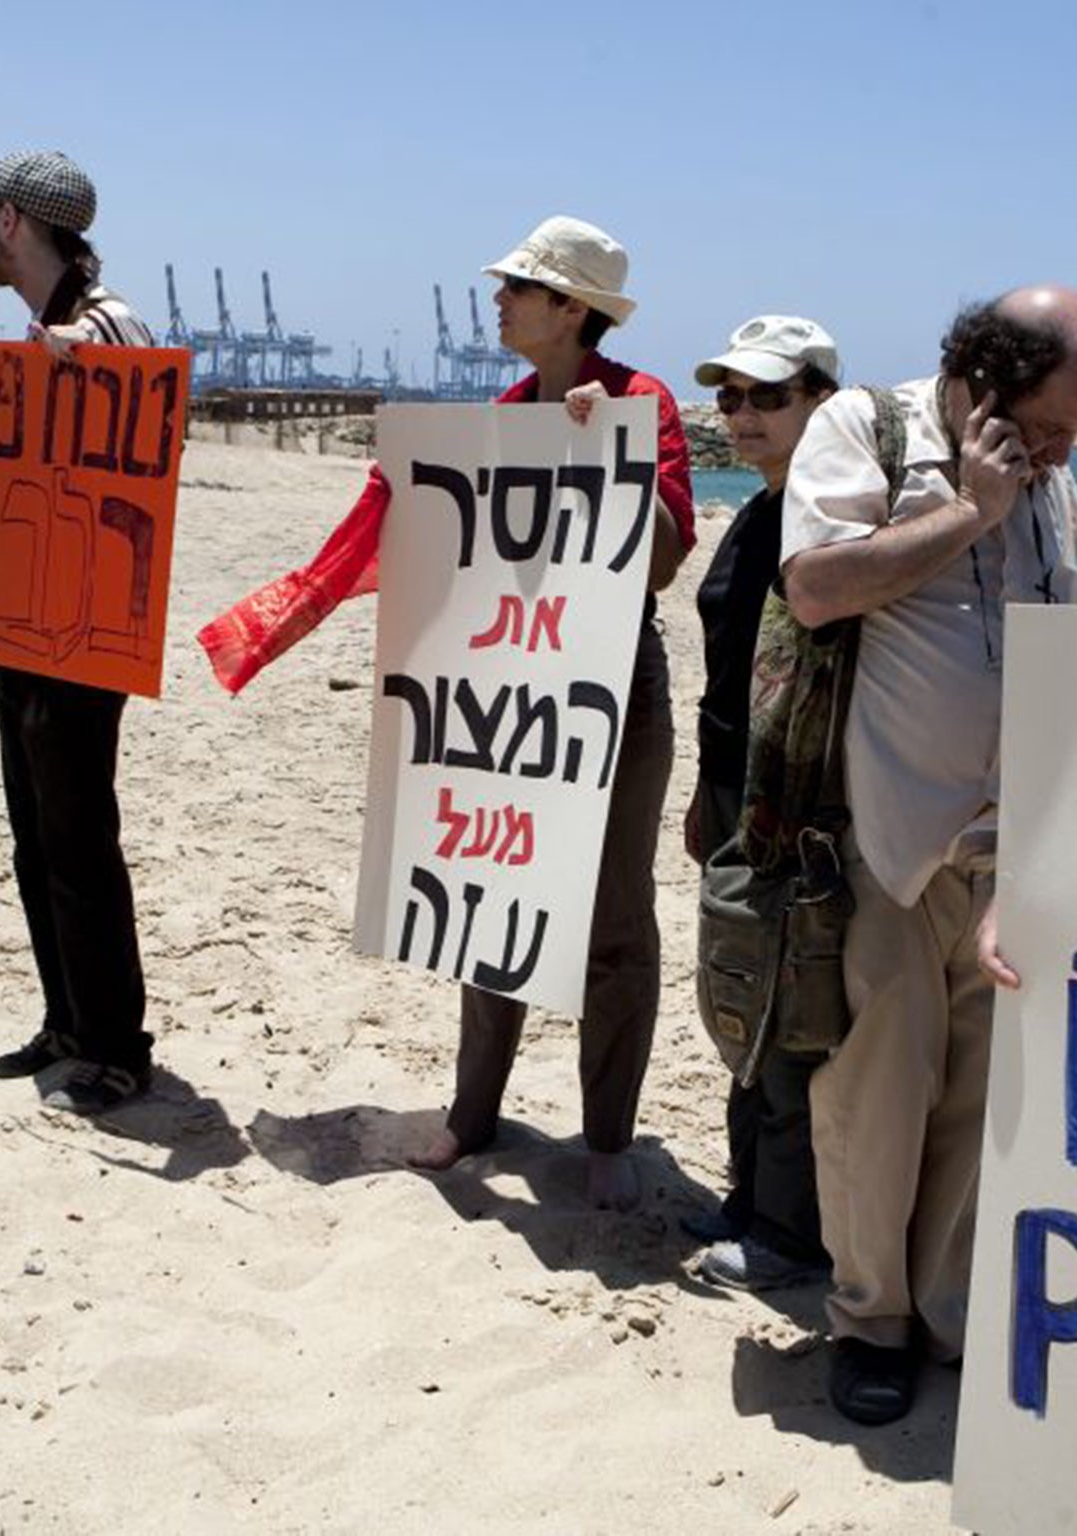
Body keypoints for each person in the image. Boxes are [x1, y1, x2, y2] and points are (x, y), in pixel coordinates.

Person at [779, 286, 1077, 1423]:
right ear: (981, 382)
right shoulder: (864, 431)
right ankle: (867, 1318)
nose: (1067, 449)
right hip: (883, 831)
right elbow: (819, 588)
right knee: (877, 1090)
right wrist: (969, 511)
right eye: (1053, 424)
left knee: (981, 1100)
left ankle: (947, 1316)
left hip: (1008, 840)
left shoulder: (1052, 478)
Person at [407, 216, 694, 1211]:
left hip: (611, 681)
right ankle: (472, 1114)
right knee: (489, 893)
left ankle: (608, 1136)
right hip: (510, 682)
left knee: (614, 918)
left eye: (518, 287)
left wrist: (604, 457)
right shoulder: (502, 406)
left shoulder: (637, 402)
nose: (498, 300)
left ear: (570, 308)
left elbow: (661, 559)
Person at [0, 150, 157, 1115]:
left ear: (9, 223)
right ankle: (69, 1017)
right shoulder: (50, 326)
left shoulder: (108, 321)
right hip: (26, 613)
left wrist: (85, 370)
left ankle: (118, 1044)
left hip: (83, 623)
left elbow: (147, 436)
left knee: (78, 834)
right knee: (35, 833)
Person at [679, 316, 840, 1289]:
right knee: (745, 992)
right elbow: (729, 674)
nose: (737, 415)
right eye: (729, 396)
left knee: (787, 1010)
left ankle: (787, 1233)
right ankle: (750, 1197)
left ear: (823, 401)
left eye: (764, 396)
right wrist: (708, 788)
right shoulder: (761, 507)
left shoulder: (831, 518)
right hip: (738, 796)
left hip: (796, 809)